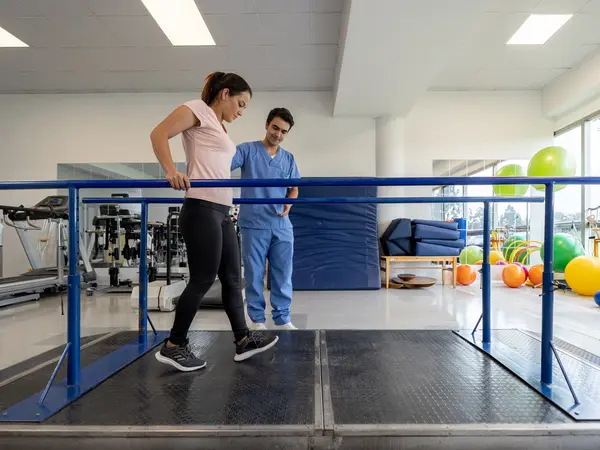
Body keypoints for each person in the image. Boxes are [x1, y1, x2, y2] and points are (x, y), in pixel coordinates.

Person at [150, 72, 278, 372]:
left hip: (221, 212)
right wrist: (170, 170)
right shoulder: (197, 110)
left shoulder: (218, 126)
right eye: (241, 103)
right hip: (201, 208)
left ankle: (243, 340)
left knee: (234, 279)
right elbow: (158, 134)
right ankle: (174, 345)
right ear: (225, 94)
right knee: (203, 279)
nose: (242, 111)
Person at [231, 108, 300, 330]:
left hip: (281, 225)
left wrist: (289, 202)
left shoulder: (288, 158)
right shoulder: (246, 151)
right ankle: (258, 320)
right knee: (254, 274)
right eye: (275, 128)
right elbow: (222, 165)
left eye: (283, 131)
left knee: (283, 273)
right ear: (267, 125)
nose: (278, 134)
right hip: (254, 224)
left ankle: (282, 318)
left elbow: (294, 189)